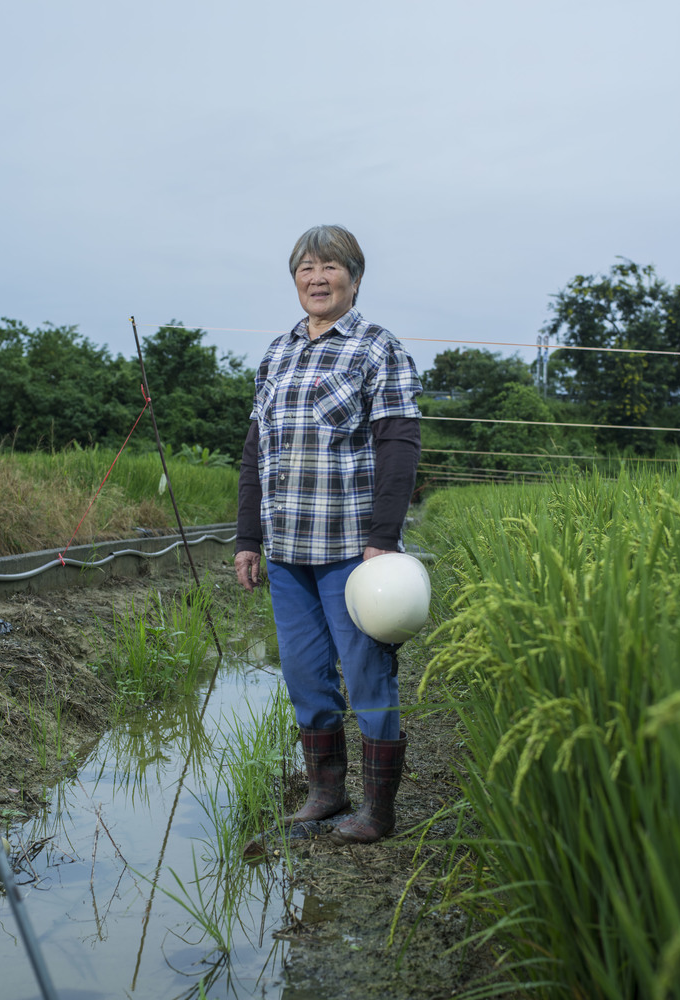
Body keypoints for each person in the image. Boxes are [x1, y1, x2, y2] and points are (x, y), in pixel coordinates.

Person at [234, 224, 422, 845]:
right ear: (295, 281)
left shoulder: (378, 348)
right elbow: (256, 452)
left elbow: (398, 445)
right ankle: (324, 793)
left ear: (355, 277)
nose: (318, 278)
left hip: (351, 549)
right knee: (305, 675)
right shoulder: (277, 352)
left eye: (331, 268)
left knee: (368, 675)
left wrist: (383, 539)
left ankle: (377, 810)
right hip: (288, 552)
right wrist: (247, 538)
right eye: (306, 269)